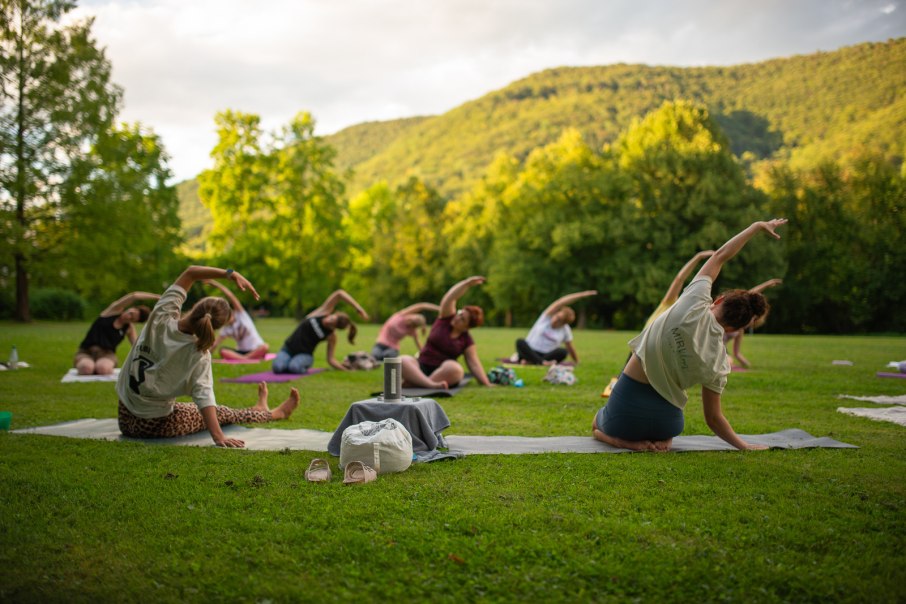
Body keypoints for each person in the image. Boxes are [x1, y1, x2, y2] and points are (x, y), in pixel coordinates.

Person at [593, 219, 787, 452]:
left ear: (720, 299)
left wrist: (755, 227)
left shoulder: (693, 302)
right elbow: (713, 418)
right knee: (663, 419)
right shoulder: (719, 360)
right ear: (736, 330)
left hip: (626, 414)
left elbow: (720, 255)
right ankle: (661, 441)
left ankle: (621, 442)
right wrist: (744, 446)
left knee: (598, 421)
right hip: (669, 424)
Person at [116, 266, 299, 448]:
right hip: (152, 426)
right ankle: (273, 414)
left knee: (209, 411)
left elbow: (190, 273)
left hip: (124, 416)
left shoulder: (161, 316)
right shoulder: (199, 354)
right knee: (222, 413)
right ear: (217, 327)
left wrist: (230, 274)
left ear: (196, 306)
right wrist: (219, 437)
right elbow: (205, 398)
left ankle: (259, 409)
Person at [602, 250, 714, 396]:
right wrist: (698, 257)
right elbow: (679, 279)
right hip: (641, 347)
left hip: (658, 353)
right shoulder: (669, 304)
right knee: (625, 382)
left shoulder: (686, 316)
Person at [399, 276, 494, 389]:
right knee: (400, 360)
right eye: (459, 313)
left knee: (457, 370)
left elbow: (474, 364)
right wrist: (466, 283)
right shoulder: (445, 319)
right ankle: (429, 385)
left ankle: (416, 383)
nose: (457, 317)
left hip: (443, 373)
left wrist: (486, 383)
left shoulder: (466, 340)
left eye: (462, 319)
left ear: (467, 327)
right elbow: (450, 297)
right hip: (421, 366)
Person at [273, 290, 370, 374]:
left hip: (305, 354)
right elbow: (339, 294)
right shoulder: (322, 311)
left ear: (334, 328)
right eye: (332, 318)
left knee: (293, 367)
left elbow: (331, 359)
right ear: (333, 314)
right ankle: (289, 363)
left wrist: (346, 370)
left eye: (332, 323)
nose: (329, 320)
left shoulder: (331, 336)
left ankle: (301, 365)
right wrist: (358, 308)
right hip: (288, 348)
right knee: (278, 368)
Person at [74, 291, 161, 375]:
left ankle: (102, 365)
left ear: (134, 322)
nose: (128, 316)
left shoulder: (129, 328)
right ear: (131, 308)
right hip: (86, 351)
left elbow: (136, 346)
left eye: (132, 318)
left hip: (106, 354)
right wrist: (157, 297)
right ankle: (86, 364)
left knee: (103, 369)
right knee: (86, 368)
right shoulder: (112, 311)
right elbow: (134, 296)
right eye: (131, 312)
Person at [514, 290, 597, 365]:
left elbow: (570, 347)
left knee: (563, 352)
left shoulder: (565, 330)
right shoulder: (546, 318)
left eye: (559, 320)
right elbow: (560, 302)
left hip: (546, 355)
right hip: (531, 351)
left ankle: (534, 361)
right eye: (556, 316)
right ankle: (540, 362)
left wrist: (577, 361)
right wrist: (582, 295)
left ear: (564, 323)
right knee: (520, 342)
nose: (555, 320)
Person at [204, 279, 269, 361]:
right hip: (241, 351)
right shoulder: (226, 329)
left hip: (255, 349)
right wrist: (205, 356)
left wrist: (215, 284)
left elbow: (230, 295)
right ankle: (246, 358)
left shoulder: (241, 315)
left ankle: (245, 358)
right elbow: (215, 344)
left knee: (265, 347)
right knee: (223, 351)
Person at [724, 278, 783, 369]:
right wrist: (767, 284)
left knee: (728, 361)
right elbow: (748, 296)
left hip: (721, 350)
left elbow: (737, 353)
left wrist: (748, 365)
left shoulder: (739, 331)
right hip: (708, 345)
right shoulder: (730, 318)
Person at [371, 302, 441, 361]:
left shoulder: (411, 330)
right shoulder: (401, 315)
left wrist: (425, 354)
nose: (409, 319)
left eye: (411, 321)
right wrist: (440, 308)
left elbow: (418, 343)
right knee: (375, 356)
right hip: (380, 344)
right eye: (411, 317)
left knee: (388, 356)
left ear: (413, 326)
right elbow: (422, 306)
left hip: (392, 348)